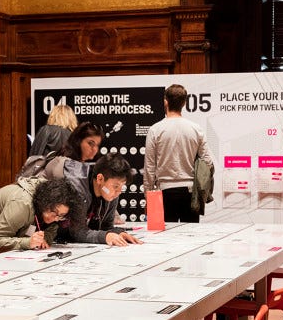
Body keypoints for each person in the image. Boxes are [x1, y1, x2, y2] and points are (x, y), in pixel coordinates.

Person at [143, 84, 214, 223]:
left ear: (165, 101)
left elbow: (149, 168)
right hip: (190, 191)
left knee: (166, 240)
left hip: (164, 191)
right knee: (190, 239)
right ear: (184, 103)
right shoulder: (196, 129)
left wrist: (148, 196)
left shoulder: (155, 130)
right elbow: (208, 162)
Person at [0, 177, 82, 255]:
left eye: (61, 216)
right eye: (54, 212)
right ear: (46, 202)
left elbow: (51, 228)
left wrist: (46, 238)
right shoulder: (22, 204)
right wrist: (28, 242)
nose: (55, 218)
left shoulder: (50, 208)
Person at [47, 152, 142, 247]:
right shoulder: (77, 190)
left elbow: (105, 227)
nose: (119, 192)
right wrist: (105, 237)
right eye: (116, 186)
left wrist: (117, 233)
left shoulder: (110, 193)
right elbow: (77, 232)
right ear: (100, 179)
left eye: (122, 186)